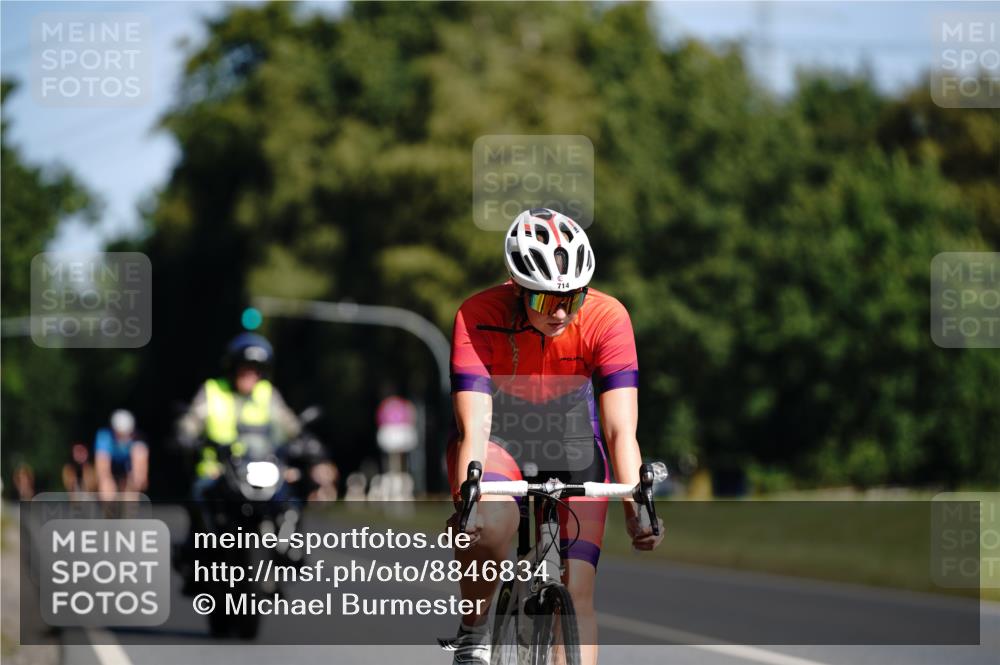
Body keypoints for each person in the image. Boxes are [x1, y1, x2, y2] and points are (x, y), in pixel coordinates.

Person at [446, 208, 665, 665]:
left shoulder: (608, 318)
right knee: (490, 528)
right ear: (517, 287)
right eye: (546, 301)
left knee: (579, 590)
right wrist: (469, 502)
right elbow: (476, 422)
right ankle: (475, 629)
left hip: (572, 441)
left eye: (574, 298)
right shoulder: (478, 314)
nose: (562, 312)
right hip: (499, 438)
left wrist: (636, 507)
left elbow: (620, 429)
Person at [177, 332, 301, 490]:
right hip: (219, 473)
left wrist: (305, 441)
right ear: (233, 368)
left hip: (261, 474)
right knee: (202, 494)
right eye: (245, 369)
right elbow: (191, 423)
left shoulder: (267, 394)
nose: (249, 376)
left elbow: (289, 425)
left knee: (289, 500)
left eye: (255, 371)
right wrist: (185, 434)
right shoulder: (213, 391)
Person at [94, 409, 149, 500]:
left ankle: (129, 511)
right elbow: (102, 468)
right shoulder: (104, 437)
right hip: (111, 466)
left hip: (128, 467)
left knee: (135, 482)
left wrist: (135, 483)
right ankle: (109, 511)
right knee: (105, 486)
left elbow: (141, 476)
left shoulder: (139, 441)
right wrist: (106, 482)